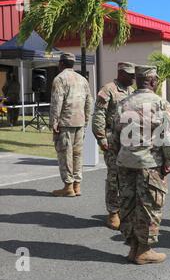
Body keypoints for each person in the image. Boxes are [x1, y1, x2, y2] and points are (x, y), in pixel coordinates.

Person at [113, 65, 170, 265]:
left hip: (125, 162)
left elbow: (115, 134)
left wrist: (120, 155)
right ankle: (144, 250)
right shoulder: (160, 103)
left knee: (128, 205)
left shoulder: (123, 103)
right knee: (149, 206)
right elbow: (166, 138)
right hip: (149, 163)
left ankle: (133, 247)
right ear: (153, 81)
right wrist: (168, 161)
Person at [92, 62, 135, 230]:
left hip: (130, 140)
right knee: (114, 177)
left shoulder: (132, 91)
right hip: (113, 139)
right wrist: (101, 138)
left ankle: (125, 208)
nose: (133, 78)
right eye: (130, 75)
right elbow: (99, 115)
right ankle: (113, 212)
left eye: (134, 75)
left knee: (128, 176)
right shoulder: (108, 89)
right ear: (121, 73)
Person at [49, 53, 94, 197]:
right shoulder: (83, 79)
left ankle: (68, 186)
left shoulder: (60, 79)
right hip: (79, 122)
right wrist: (86, 120)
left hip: (65, 123)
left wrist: (54, 122)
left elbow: (57, 102)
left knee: (65, 154)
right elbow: (89, 102)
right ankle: (77, 185)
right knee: (77, 155)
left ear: (61, 64)